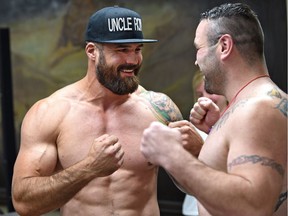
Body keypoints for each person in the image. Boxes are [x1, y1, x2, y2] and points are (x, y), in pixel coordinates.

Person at [11, 6, 203, 216]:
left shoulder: (158, 109)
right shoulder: (51, 112)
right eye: (121, 50)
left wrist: (195, 154)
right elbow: (24, 203)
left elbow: (193, 189)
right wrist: (88, 168)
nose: (132, 60)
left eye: (137, 49)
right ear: (92, 51)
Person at [140, 3, 287, 216]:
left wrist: (172, 156)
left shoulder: (259, 108)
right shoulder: (250, 107)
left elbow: (253, 207)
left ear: (224, 46)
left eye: (198, 49)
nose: (195, 60)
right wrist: (214, 134)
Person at [182, 70, 228, 216]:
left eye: (210, 91)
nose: (205, 98)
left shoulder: (237, 121)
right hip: (192, 208)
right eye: (200, 94)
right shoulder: (194, 127)